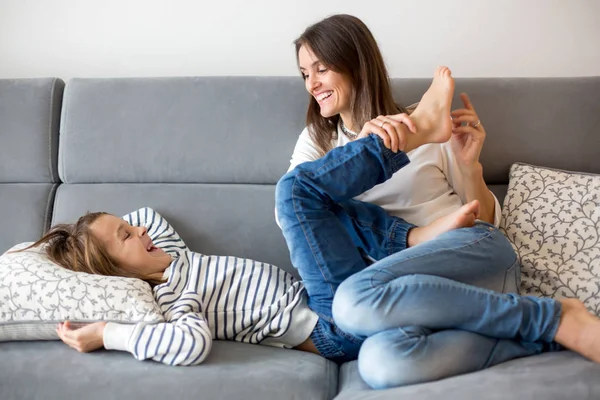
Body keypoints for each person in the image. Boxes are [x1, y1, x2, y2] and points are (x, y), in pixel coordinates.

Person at [275, 13, 600, 389]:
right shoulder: (317, 142)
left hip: (469, 256)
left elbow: (488, 224)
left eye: (321, 69)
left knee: (350, 298)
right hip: (402, 301)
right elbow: (291, 218)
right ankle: (540, 333)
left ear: (356, 65)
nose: (312, 84)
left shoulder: (423, 121)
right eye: (304, 74)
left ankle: (550, 318)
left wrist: (470, 166)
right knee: (382, 364)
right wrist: (364, 147)